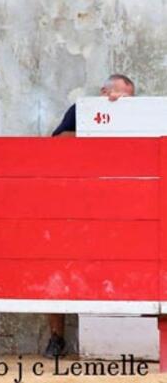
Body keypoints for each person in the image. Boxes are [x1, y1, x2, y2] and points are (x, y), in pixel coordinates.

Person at [44, 73, 136, 358]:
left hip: (117, 202)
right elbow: (59, 141)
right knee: (57, 262)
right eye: (117, 95)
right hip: (73, 200)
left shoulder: (138, 117)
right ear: (104, 91)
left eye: (127, 99)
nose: (119, 102)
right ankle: (56, 337)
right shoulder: (82, 111)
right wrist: (103, 117)